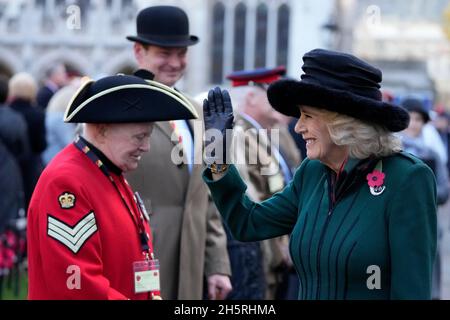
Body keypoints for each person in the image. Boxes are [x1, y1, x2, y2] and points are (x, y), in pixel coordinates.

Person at [202, 49, 437, 299]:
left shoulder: (407, 179)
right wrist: (219, 156)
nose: (298, 127)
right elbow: (248, 223)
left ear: (343, 123)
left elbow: (412, 290)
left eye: (308, 116)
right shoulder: (313, 172)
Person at [27, 74, 198, 299]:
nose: (146, 147)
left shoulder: (107, 171)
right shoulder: (66, 182)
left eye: (148, 136)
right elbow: (76, 285)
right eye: (139, 137)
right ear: (102, 129)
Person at [126, 5, 231, 300]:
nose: (175, 62)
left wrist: (218, 265)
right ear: (139, 51)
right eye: (164, 52)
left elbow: (209, 196)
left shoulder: (199, 113)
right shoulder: (118, 110)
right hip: (137, 261)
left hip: (192, 265)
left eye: (181, 53)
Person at [226, 66, 300, 299]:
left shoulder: (266, 133)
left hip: (276, 249)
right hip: (262, 249)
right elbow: (250, 198)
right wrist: (279, 246)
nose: (278, 100)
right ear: (250, 97)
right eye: (270, 92)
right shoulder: (238, 134)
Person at [8, 72, 46, 208]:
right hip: (30, 165)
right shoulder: (38, 114)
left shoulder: (8, 111)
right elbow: (41, 145)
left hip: (9, 163)